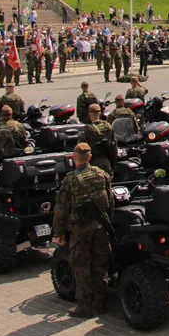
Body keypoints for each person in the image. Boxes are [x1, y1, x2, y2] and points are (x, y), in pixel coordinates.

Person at [52, 142, 114, 318]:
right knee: (99, 264)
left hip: (80, 229)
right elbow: (110, 202)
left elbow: (61, 210)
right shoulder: (102, 175)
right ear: (90, 157)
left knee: (81, 265)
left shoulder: (70, 180)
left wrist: (59, 232)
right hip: (100, 226)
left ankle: (85, 306)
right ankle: (100, 303)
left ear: (74, 159)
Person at [78, 104, 117, 175]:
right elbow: (114, 148)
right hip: (106, 163)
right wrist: (112, 165)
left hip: (93, 165)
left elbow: (82, 151)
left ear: (90, 114)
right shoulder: (108, 127)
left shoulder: (88, 130)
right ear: (100, 113)